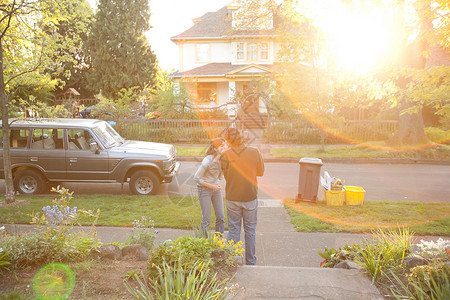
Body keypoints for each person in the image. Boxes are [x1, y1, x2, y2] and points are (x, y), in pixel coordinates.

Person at [220, 128, 264, 265]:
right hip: (250, 197)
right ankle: (250, 261)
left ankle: (234, 260)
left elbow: (226, 176)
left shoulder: (225, 155)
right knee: (250, 231)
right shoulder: (254, 152)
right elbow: (260, 172)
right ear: (241, 137)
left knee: (233, 230)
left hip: (233, 197)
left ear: (228, 140)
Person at [193, 138, 226, 237]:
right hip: (204, 190)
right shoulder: (207, 160)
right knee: (206, 218)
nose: (225, 147)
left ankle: (217, 241)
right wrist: (212, 186)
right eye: (222, 146)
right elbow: (196, 178)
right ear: (216, 149)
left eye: (225, 145)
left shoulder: (222, 159)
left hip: (215, 189)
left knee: (220, 217)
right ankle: (202, 242)